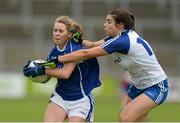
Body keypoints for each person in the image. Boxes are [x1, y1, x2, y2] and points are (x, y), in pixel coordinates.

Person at [49, 10, 169, 122]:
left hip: (156, 86)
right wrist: (80, 40)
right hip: (138, 85)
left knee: (125, 117)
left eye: (109, 21)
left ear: (120, 25)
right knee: (133, 120)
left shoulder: (122, 41)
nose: (104, 24)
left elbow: (86, 54)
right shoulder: (117, 38)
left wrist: (58, 59)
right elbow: (91, 45)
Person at [23, 16, 101, 122]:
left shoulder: (74, 47)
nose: (57, 33)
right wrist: (34, 72)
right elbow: (49, 77)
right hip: (60, 97)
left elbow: (65, 73)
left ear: (69, 34)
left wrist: (42, 70)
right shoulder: (53, 53)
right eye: (55, 30)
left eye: (60, 31)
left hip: (80, 100)